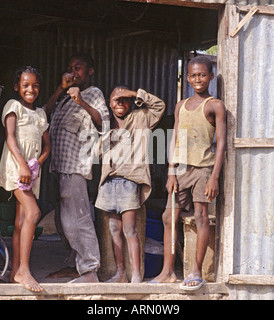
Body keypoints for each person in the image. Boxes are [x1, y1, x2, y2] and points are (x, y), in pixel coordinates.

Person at [151, 55, 226, 290]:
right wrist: (171, 171)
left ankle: (196, 269)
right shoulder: (180, 105)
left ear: (211, 77)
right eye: (193, 75)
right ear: (187, 78)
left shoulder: (215, 105)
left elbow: (222, 142)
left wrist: (214, 176)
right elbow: (174, 139)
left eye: (202, 75)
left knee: (201, 217)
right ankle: (168, 271)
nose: (197, 79)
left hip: (203, 169)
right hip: (180, 169)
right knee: (167, 217)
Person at [43, 52, 109, 283]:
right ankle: (75, 264)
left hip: (76, 166)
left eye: (78, 68)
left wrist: (81, 101)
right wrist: (61, 89)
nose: (73, 72)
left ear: (90, 71)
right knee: (64, 221)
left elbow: (104, 121)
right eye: (70, 67)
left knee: (78, 219)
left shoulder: (92, 94)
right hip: (58, 166)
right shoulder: (63, 97)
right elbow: (44, 113)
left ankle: (90, 270)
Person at [95, 86, 165, 283]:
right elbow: (96, 152)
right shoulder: (106, 125)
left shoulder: (141, 118)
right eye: (116, 99)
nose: (120, 103)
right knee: (114, 230)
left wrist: (134, 94)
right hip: (108, 182)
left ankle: (135, 274)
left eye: (124, 99)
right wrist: (107, 140)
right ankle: (120, 274)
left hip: (129, 181)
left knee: (130, 230)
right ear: (109, 104)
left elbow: (159, 106)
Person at [0, 66, 50, 292]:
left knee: (21, 221)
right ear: (17, 87)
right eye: (26, 85)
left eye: (35, 85)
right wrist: (22, 165)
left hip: (31, 171)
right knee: (34, 213)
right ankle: (24, 271)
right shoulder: (13, 106)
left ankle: (14, 272)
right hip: (15, 168)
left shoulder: (40, 114)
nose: (31, 89)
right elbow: (10, 137)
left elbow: (48, 145)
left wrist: (38, 162)